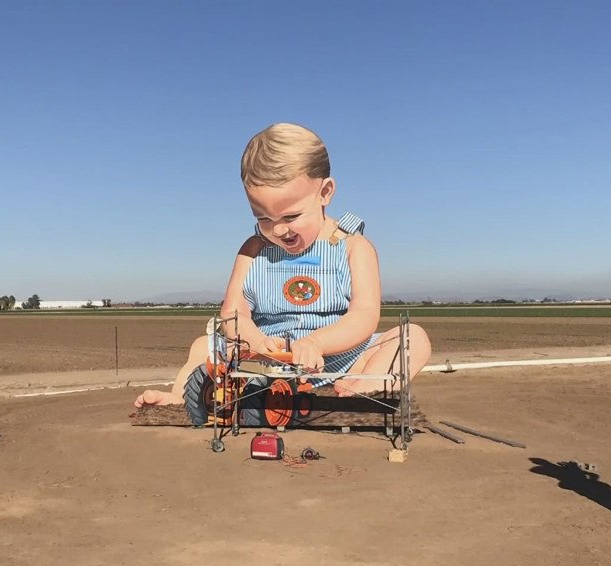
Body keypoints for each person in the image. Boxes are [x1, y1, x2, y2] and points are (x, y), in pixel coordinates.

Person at [135, 122, 431, 408]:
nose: (277, 230)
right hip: (267, 365)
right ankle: (183, 399)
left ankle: (356, 393)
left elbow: (364, 317)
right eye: (263, 218)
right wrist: (257, 340)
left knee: (412, 338)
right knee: (204, 346)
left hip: (341, 362)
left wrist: (317, 343)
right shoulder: (253, 251)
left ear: (325, 193)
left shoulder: (353, 247)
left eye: (290, 217)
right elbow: (233, 314)